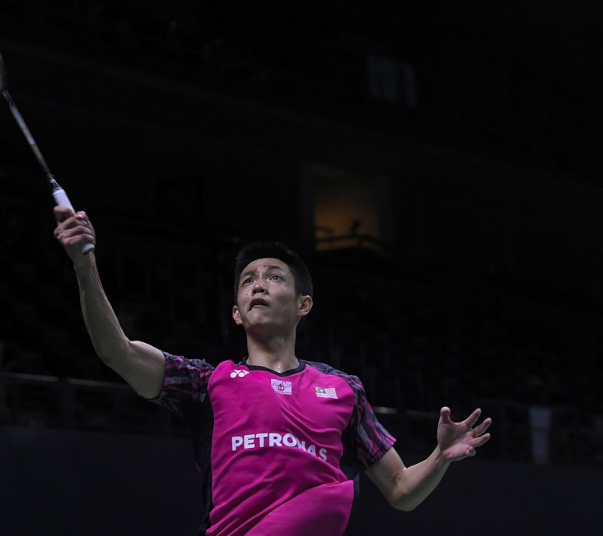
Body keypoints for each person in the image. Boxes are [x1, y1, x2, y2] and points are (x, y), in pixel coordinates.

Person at [54, 207, 491, 535]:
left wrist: (439, 458)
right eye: (248, 280)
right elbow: (119, 353)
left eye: (274, 277)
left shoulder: (342, 390)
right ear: (237, 314)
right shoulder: (208, 382)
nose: (258, 284)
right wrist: (84, 265)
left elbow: (400, 490)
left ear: (304, 305)